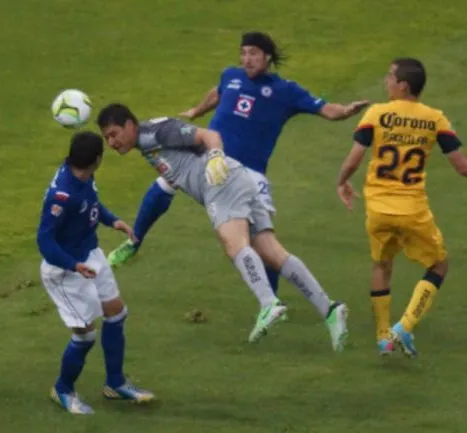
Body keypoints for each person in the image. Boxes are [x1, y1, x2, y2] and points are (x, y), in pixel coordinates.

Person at [106, 31, 368, 299]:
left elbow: (326, 109)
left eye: (253, 53)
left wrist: (346, 111)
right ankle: (134, 241)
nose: (247, 59)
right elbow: (217, 92)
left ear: (267, 56)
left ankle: (271, 301)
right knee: (165, 181)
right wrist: (197, 111)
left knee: (264, 241)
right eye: (243, 53)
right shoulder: (231, 75)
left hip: (249, 173)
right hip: (207, 160)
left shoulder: (286, 91)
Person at [97, 104, 349, 350]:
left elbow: (209, 135)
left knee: (234, 245)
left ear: (129, 125)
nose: (111, 143)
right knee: (272, 252)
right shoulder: (148, 143)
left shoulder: (156, 132)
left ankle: (268, 303)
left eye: (114, 134)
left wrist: (215, 156)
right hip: (237, 180)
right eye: (106, 138)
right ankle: (330, 309)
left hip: (220, 183)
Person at [335, 58, 467, 357]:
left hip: (379, 209)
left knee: (381, 265)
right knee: (439, 265)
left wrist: (342, 182)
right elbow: (462, 166)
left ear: (403, 86)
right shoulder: (435, 119)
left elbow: (354, 158)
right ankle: (404, 327)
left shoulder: (376, 114)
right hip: (412, 210)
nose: (386, 81)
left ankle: (383, 337)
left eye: (390, 77)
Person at [37, 131, 155, 415]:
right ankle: (63, 389)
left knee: (116, 313)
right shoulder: (61, 194)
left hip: (91, 256)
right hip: (64, 270)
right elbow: (44, 241)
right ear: (98, 160)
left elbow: (91, 204)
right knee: (85, 336)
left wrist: (113, 221)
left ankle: (115, 383)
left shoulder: (82, 174)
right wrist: (73, 265)